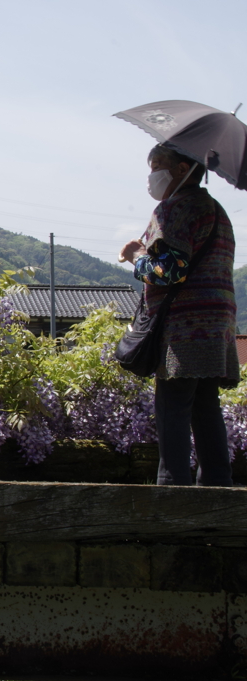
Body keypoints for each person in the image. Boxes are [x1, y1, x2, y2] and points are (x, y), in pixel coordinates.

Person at [119, 144, 239, 486]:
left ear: (182, 168)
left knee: (172, 405)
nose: (151, 175)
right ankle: (217, 487)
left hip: (183, 324)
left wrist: (136, 255)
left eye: (157, 165)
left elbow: (168, 272)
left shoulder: (174, 208)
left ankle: (172, 490)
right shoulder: (214, 209)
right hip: (217, 321)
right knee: (204, 405)